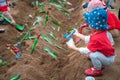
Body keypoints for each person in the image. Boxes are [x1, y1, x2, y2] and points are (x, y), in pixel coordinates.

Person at [66, 8, 116, 76]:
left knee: (93, 55)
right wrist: (77, 34)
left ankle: (98, 70)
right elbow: (88, 39)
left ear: (94, 26)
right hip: (108, 54)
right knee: (93, 52)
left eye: (90, 23)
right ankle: (100, 58)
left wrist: (74, 47)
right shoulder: (102, 32)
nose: (88, 25)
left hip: (108, 59)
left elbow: (87, 50)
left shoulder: (97, 38)